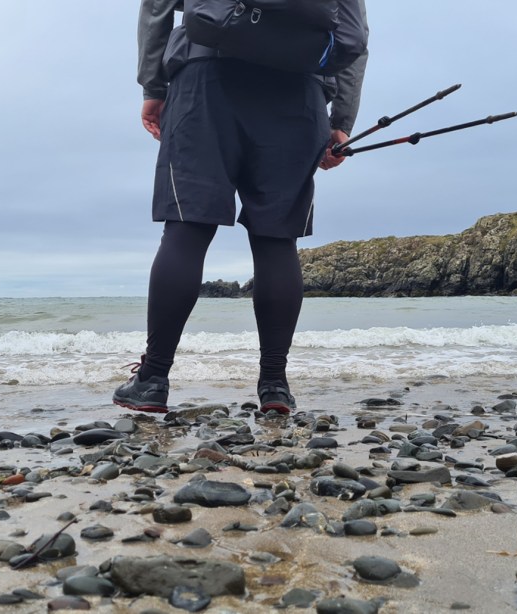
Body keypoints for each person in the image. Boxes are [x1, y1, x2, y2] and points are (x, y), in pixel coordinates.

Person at [114, 0, 369, 414]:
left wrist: (153, 86)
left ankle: (153, 379)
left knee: (187, 226)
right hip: (299, 90)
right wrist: (341, 118)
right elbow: (354, 34)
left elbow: (157, 5)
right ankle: (274, 385)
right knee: (276, 238)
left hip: (205, 78)